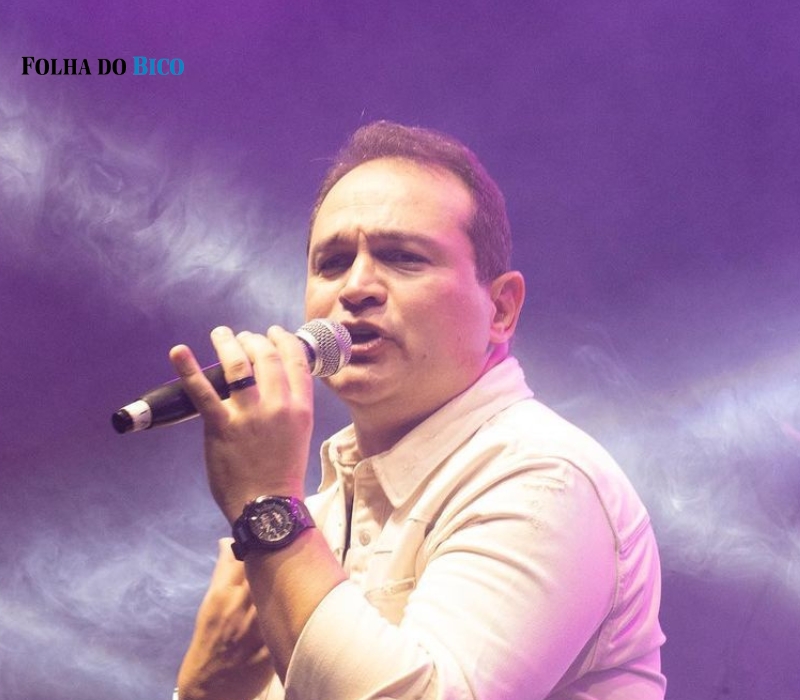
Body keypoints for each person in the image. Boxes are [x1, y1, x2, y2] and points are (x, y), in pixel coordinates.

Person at [168, 121, 666, 700]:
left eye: (402, 257)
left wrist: (267, 504)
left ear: (501, 309)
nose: (355, 287)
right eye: (332, 262)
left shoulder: (546, 478)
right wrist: (202, 693)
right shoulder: (313, 524)